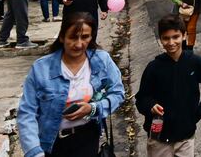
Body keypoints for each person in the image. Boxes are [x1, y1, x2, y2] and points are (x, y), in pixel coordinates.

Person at [17, 12, 125, 157]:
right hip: (49, 144)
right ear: (62, 37)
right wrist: (34, 151)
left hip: (87, 140)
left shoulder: (101, 60)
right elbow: (27, 112)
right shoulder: (41, 68)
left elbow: (118, 93)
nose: (79, 44)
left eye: (85, 37)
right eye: (73, 37)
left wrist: (93, 108)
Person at [135, 15, 201, 157]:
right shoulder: (153, 68)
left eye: (176, 37)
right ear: (160, 39)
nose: (171, 42)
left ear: (184, 36)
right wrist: (151, 105)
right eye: (166, 38)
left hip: (185, 135)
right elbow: (141, 98)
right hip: (159, 137)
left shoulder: (195, 62)